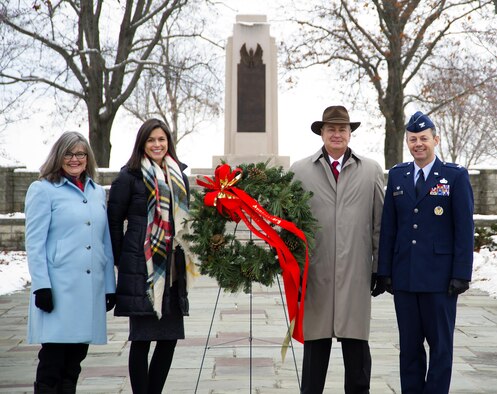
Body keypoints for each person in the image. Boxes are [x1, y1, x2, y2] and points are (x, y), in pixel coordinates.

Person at [374, 111, 474, 393]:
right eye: (413, 139)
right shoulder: (397, 176)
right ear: (407, 142)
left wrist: (461, 274)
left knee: (441, 348)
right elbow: (389, 228)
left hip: (440, 281)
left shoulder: (454, 177)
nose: (418, 144)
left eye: (424, 139)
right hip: (405, 278)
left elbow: (464, 229)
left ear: (435, 140)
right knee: (409, 348)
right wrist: (385, 272)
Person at [290, 105, 385, 394]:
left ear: (350, 134)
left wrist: (378, 268)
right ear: (321, 132)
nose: (337, 134)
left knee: (357, 361)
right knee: (314, 360)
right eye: (331, 128)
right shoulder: (300, 171)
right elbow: (290, 225)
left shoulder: (370, 170)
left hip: (355, 276)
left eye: (342, 129)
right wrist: (295, 271)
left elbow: (379, 224)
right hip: (316, 276)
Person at [107, 118, 195, 394]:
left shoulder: (178, 176)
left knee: (168, 339)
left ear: (168, 142)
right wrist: (123, 259)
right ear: (142, 144)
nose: (157, 144)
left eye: (161, 139)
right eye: (151, 140)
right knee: (142, 339)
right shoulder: (128, 177)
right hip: (142, 269)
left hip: (171, 268)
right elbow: (112, 223)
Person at [25, 131, 116, 394]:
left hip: (89, 290)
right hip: (59, 290)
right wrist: (41, 285)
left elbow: (104, 243)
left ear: (88, 158)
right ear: (58, 155)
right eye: (69, 153)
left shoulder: (97, 192)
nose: (75, 159)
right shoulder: (42, 190)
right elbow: (34, 243)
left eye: (80, 154)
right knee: (53, 360)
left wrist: (109, 286)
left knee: (75, 362)